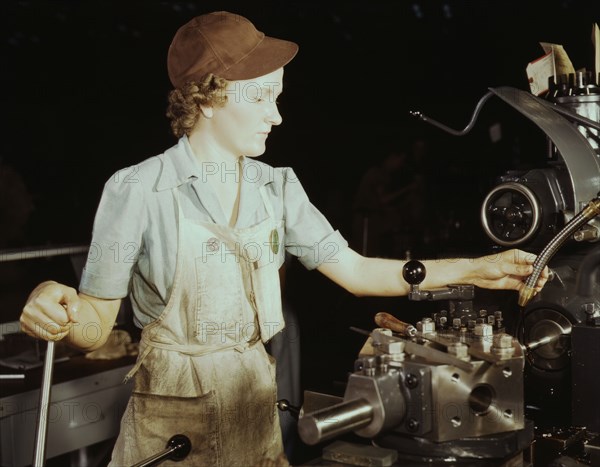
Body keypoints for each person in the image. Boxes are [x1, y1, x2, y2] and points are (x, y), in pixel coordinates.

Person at [19, 11, 549, 467]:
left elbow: (359, 272)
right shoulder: (137, 189)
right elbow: (93, 325)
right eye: (262, 97)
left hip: (254, 414)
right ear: (208, 98)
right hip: (169, 430)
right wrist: (54, 303)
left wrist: (476, 268)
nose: (277, 115)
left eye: (278, 97)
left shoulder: (277, 188)